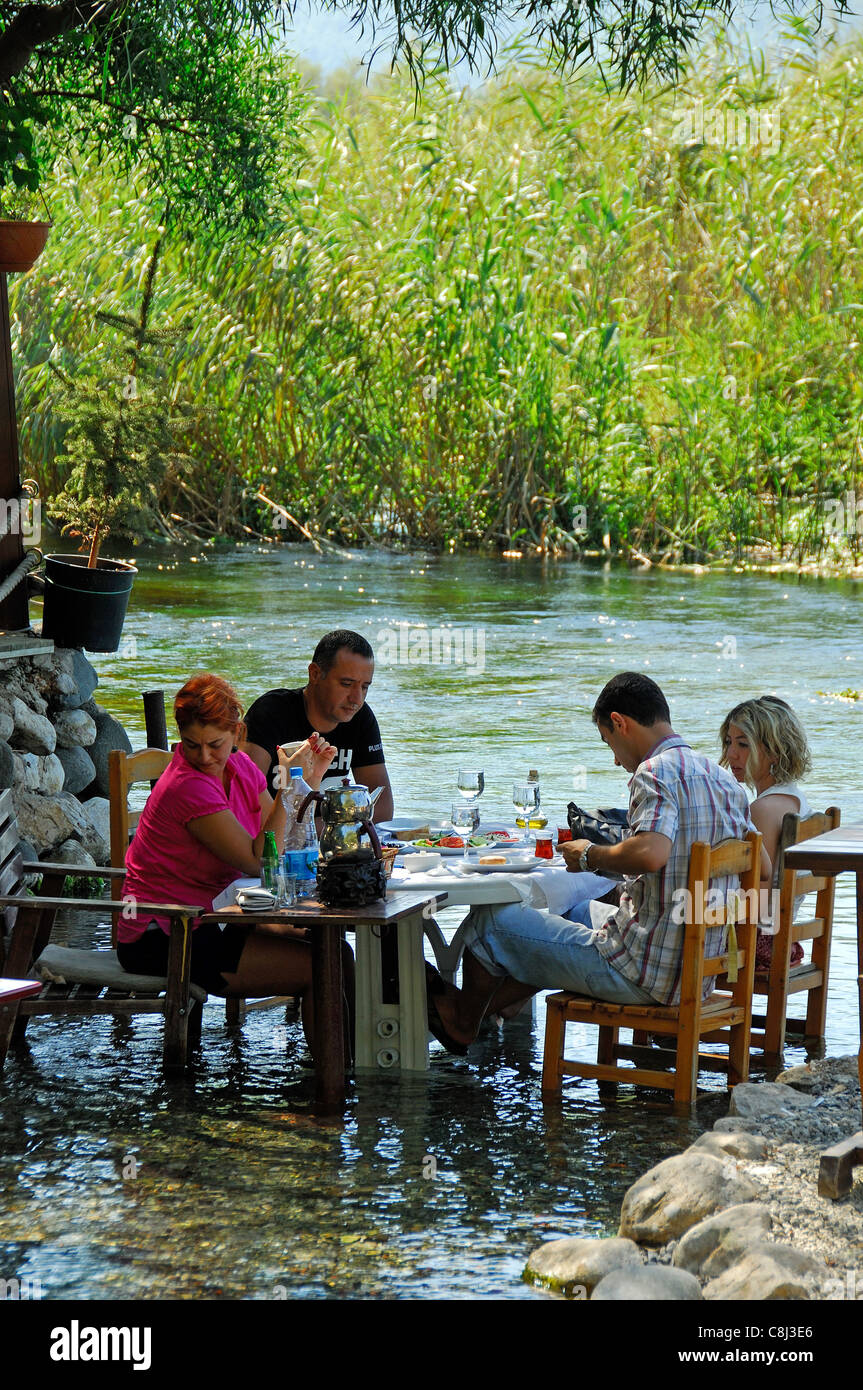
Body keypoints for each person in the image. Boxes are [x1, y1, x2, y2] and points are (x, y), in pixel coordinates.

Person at [427, 671, 769, 1053]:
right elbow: (764, 868)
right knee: (571, 912)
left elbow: (651, 852)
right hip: (694, 973)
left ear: (620, 723)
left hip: (640, 973)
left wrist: (590, 855)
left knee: (489, 922)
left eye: (609, 741)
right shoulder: (723, 779)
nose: (615, 759)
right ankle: (491, 1011)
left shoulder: (655, 772)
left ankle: (461, 1021)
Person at [117, 673, 348, 1048]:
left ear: (238, 734)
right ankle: (327, 1090)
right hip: (162, 934)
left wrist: (309, 784)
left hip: (211, 918)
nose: (204, 756)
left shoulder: (239, 767)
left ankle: (349, 1071)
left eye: (215, 744)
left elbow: (284, 844)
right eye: (192, 745)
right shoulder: (187, 786)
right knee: (320, 967)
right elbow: (260, 861)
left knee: (335, 951)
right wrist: (290, 783)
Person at [241, 629, 394, 820]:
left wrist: (328, 831)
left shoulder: (361, 718)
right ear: (314, 674)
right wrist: (336, 829)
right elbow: (244, 795)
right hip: (272, 843)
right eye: (346, 684)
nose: (357, 699)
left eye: (365, 687)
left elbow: (383, 809)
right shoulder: (271, 711)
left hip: (326, 839)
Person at [720, 695, 814, 971]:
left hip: (754, 944)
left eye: (743, 744)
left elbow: (756, 907)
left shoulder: (764, 809)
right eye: (728, 742)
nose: (731, 754)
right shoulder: (796, 800)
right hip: (780, 939)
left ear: (774, 752)